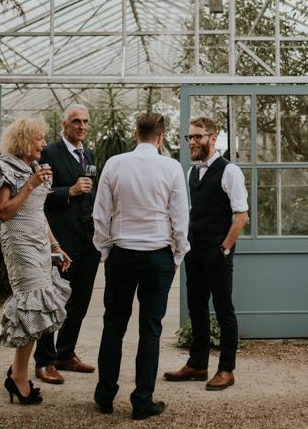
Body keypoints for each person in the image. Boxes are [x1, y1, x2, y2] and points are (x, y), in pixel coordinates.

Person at [92, 112, 190, 420]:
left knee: (113, 326)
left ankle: (105, 396)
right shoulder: (172, 167)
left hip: (121, 255)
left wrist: (106, 251)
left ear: (136, 134)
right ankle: (142, 400)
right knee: (151, 330)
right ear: (160, 137)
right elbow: (180, 217)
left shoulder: (115, 164)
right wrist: (177, 255)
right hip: (157, 257)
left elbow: (100, 213)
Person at [0, 118, 72, 406]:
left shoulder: (33, 167)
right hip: (19, 245)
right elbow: (4, 212)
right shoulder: (1, 166)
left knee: (39, 308)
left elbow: (38, 213)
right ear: (23, 140)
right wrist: (31, 185)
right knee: (32, 306)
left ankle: (17, 372)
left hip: (39, 244)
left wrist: (56, 246)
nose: (44, 144)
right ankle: (19, 376)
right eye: (39, 139)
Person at [164, 116, 249, 391]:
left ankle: (227, 369)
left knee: (224, 310)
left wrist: (224, 248)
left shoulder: (229, 171)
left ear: (213, 138)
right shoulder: (191, 172)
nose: (192, 141)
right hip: (194, 251)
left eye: (198, 136)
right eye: (190, 137)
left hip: (218, 253)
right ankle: (198, 364)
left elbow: (241, 215)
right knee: (196, 308)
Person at [34, 104, 100, 384]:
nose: (81, 126)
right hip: (61, 241)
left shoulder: (89, 153)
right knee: (53, 300)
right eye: (76, 121)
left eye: (85, 121)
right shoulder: (49, 153)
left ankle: (66, 353)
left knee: (80, 301)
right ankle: (44, 360)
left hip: (89, 241)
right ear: (65, 123)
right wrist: (69, 191)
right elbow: (37, 195)